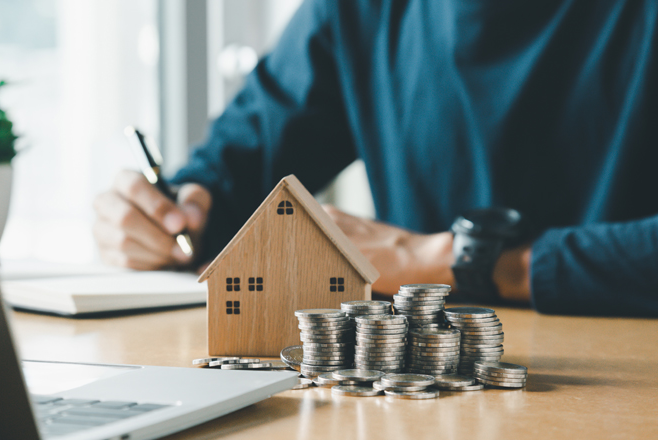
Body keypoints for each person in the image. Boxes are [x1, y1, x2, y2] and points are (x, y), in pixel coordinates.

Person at [94, 1, 658, 316]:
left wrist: (443, 261)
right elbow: (237, 167)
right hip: (423, 397)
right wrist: (175, 212)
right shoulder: (356, 12)